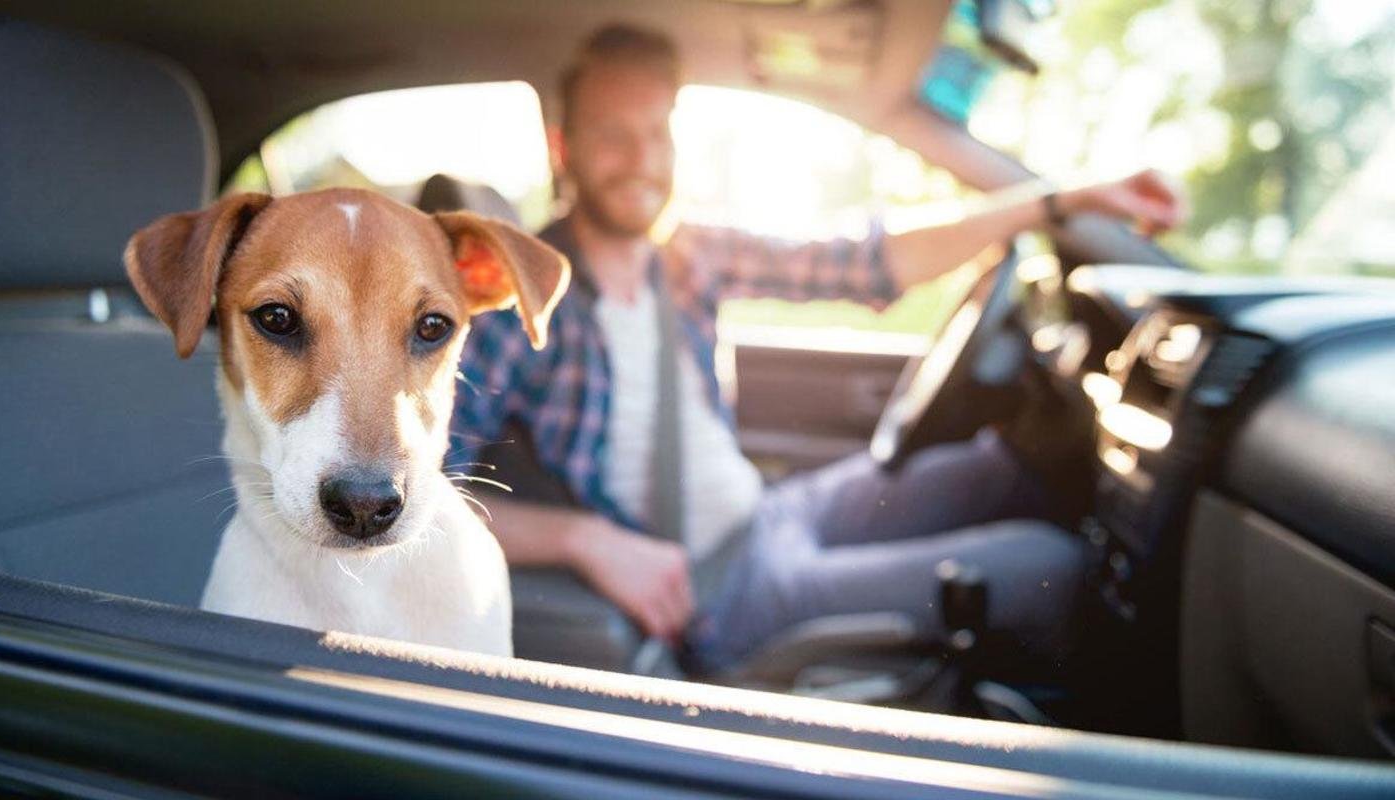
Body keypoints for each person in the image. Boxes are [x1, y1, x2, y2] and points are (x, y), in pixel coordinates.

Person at [450, 24, 1184, 671]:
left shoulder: (687, 254)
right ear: (563, 145)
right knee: (1049, 567)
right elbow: (425, 497)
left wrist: (1061, 202)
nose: (642, 158)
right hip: (719, 591)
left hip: (769, 515)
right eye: (613, 133)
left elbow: (870, 260)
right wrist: (584, 540)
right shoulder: (516, 303)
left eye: (658, 131)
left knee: (998, 468)